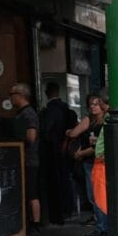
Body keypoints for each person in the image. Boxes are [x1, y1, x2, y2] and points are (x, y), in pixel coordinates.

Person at [68, 93, 109, 236]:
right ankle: (100, 228)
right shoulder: (92, 122)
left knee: (99, 198)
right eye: (91, 104)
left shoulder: (104, 122)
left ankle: (104, 229)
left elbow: (98, 147)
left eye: (97, 104)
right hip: (89, 162)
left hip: (96, 162)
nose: (93, 107)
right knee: (93, 198)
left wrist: (81, 153)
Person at [10, 82, 41, 236]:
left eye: (12, 94)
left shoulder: (28, 114)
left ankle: (35, 226)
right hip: (27, 159)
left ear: (20, 95)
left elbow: (31, 136)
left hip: (29, 159)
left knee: (32, 193)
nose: (10, 98)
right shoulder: (24, 113)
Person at [39, 82, 74, 225]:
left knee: (54, 181)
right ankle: (68, 208)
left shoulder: (50, 110)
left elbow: (47, 130)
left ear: (47, 93)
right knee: (65, 179)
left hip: (52, 150)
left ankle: (57, 213)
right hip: (65, 149)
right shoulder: (67, 109)